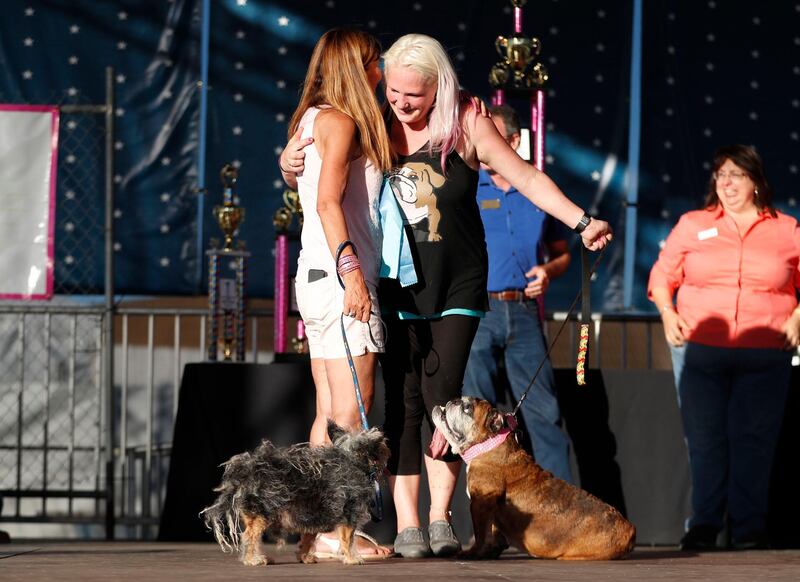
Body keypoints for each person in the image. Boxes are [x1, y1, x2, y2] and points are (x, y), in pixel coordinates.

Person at [375, 34, 612, 558]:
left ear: (438, 88)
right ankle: (407, 521)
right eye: (393, 92)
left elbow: (524, 175)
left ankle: (440, 517)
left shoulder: (466, 123)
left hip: (458, 281)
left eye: (413, 95)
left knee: (444, 398)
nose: (401, 104)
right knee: (404, 405)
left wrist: (581, 220)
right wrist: (290, 157)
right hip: (397, 282)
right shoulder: (377, 122)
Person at [648, 144, 800, 551]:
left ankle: (749, 526)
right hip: (701, 349)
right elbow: (662, 275)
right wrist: (666, 311)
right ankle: (705, 524)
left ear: (756, 181)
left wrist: (798, 318)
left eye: (736, 174)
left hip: (765, 349)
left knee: (755, 439)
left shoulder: (786, 228)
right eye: (721, 175)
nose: (727, 183)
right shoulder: (694, 223)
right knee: (703, 438)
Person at [281, 27, 393, 560]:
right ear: (358, 67)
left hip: (314, 277)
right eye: (375, 62)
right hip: (339, 275)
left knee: (328, 408)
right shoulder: (343, 122)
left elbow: (301, 180)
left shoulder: (311, 119)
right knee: (352, 411)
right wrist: (352, 273)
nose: (382, 71)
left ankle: (313, 529)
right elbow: (327, 203)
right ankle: (330, 533)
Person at [462, 104, 573, 484]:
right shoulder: (467, 185)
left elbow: (561, 254)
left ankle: (563, 513)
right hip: (477, 312)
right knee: (477, 419)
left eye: (491, 137)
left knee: (544, 413)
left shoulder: (536, 185)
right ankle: (486, 519)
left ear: (511, 141)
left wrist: (547, 271)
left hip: (524, 312)